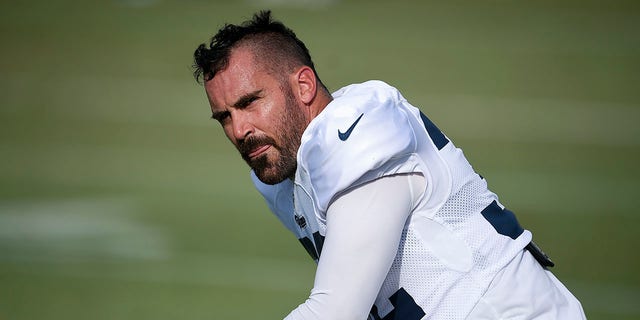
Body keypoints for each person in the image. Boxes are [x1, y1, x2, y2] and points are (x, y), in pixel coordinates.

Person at [192, 10, 586, 320]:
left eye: (249, 102)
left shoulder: (357, 133)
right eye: (224, 117)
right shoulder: (280, 174)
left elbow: (335, 312)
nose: (239, 128)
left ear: (304, 86)